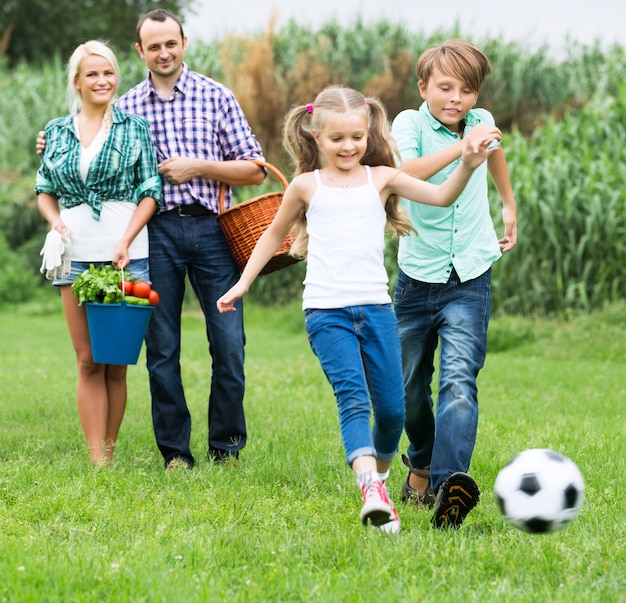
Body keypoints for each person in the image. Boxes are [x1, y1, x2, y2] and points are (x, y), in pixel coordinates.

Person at [217, 85, 500, 532]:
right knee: (354, 402)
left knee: (392, 412)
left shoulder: (383, 178)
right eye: (337, 139)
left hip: (377, 311)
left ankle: (381, 483)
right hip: (326, 312)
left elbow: (443, 196)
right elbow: (273, 236)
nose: (348, 147)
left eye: (357, 137)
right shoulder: (306, 187)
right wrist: (242, 283)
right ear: (315, 136)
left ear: (368, 132)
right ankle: (369, 488)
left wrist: (466, 162)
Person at [117, 9, 265, 469]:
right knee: (161, 347)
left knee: (229, 342)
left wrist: (196, 166)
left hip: (213, 230)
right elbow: (106, 165)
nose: (164, 52)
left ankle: (227, 447)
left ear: (184, 42)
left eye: (170, 43)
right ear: (140, 52)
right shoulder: (126, 108)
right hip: (154, 232)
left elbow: (255, 169)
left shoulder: (215, 96)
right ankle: (175, 453)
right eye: (153, 46)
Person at [391, 39, 518, 529]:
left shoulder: (480, 120)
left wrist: (508, 205)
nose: (456, 99)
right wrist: (459, 151)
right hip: (417, 277)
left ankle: (448, 488)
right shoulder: (408, 124)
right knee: (407, 390)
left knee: (459, 383)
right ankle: (420, 461)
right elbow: (402, 171)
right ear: (424, 87)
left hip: (470, 275)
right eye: (445, 88)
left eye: (467, 90)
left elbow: (495, 154)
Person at [35, 40, 162, 464]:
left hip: (127, 251)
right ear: (77, 80)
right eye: (92, 73)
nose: (102, 80)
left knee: (117, 360)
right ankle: (98, 462)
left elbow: (150, 192)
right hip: (75, 253)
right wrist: (54, 220)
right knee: (88, 359)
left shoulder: (135, 128)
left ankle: (110, 448)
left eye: (107, 72)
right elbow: (44, 191)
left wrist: (125, 239)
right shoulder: (56, 131)